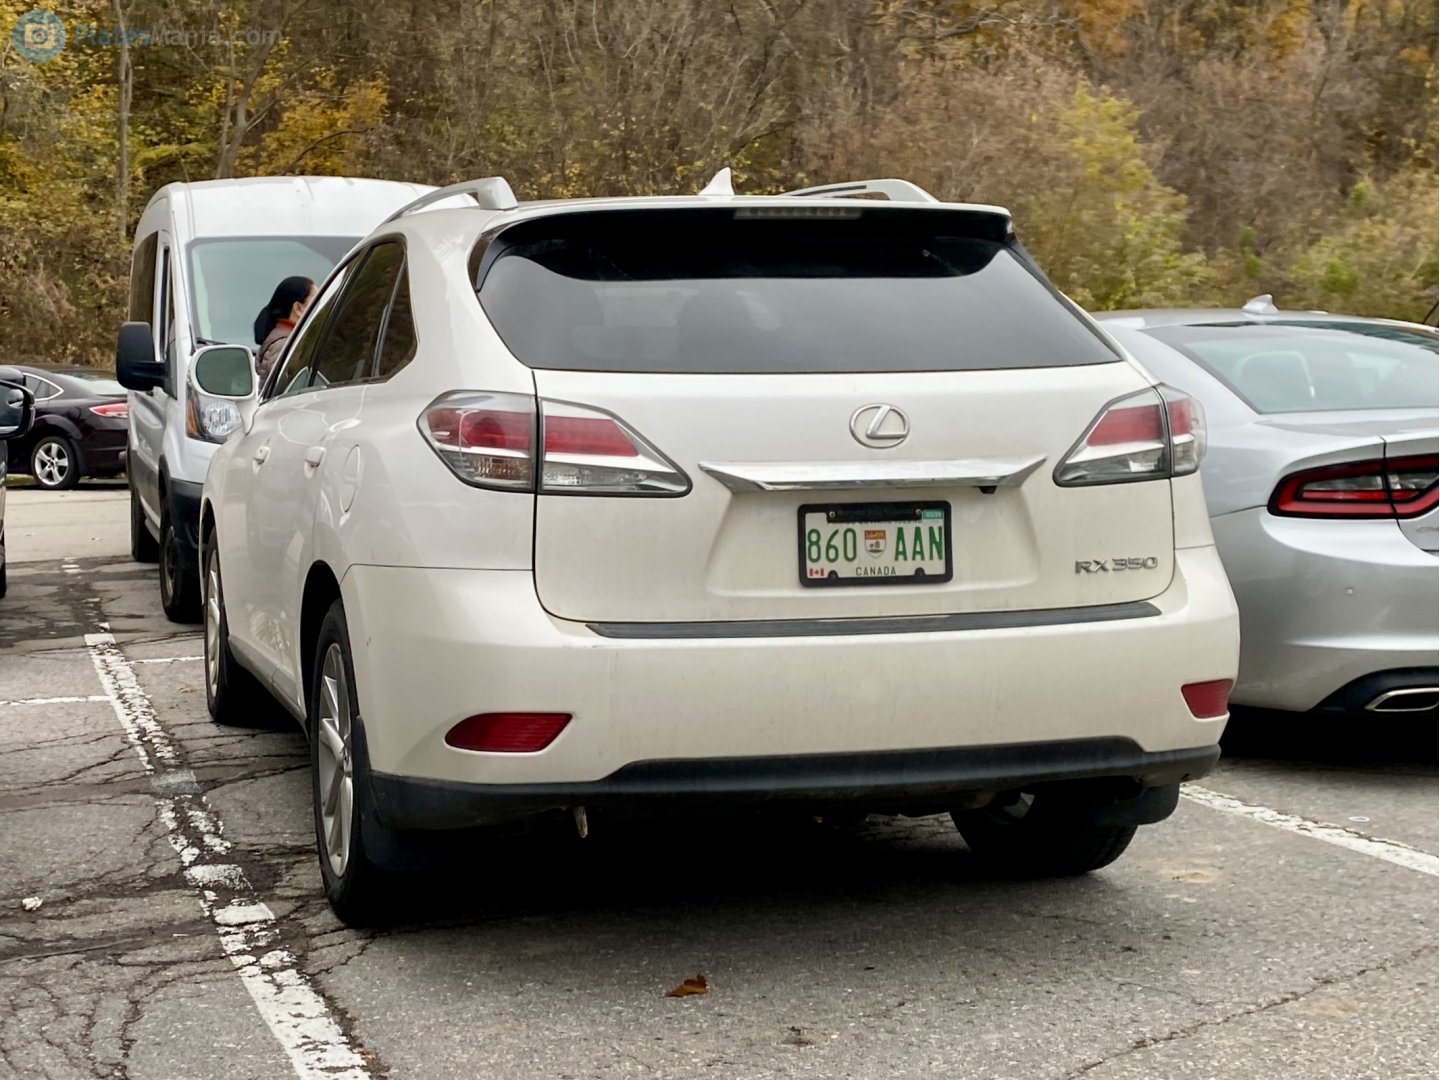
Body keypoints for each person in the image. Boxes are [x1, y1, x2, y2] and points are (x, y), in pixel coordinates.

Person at [253, 276, 317, 385]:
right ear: (298, 308)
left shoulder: (285, 338)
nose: (319, 307)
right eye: (316, 302)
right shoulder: (284, 344)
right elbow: (284, 388)